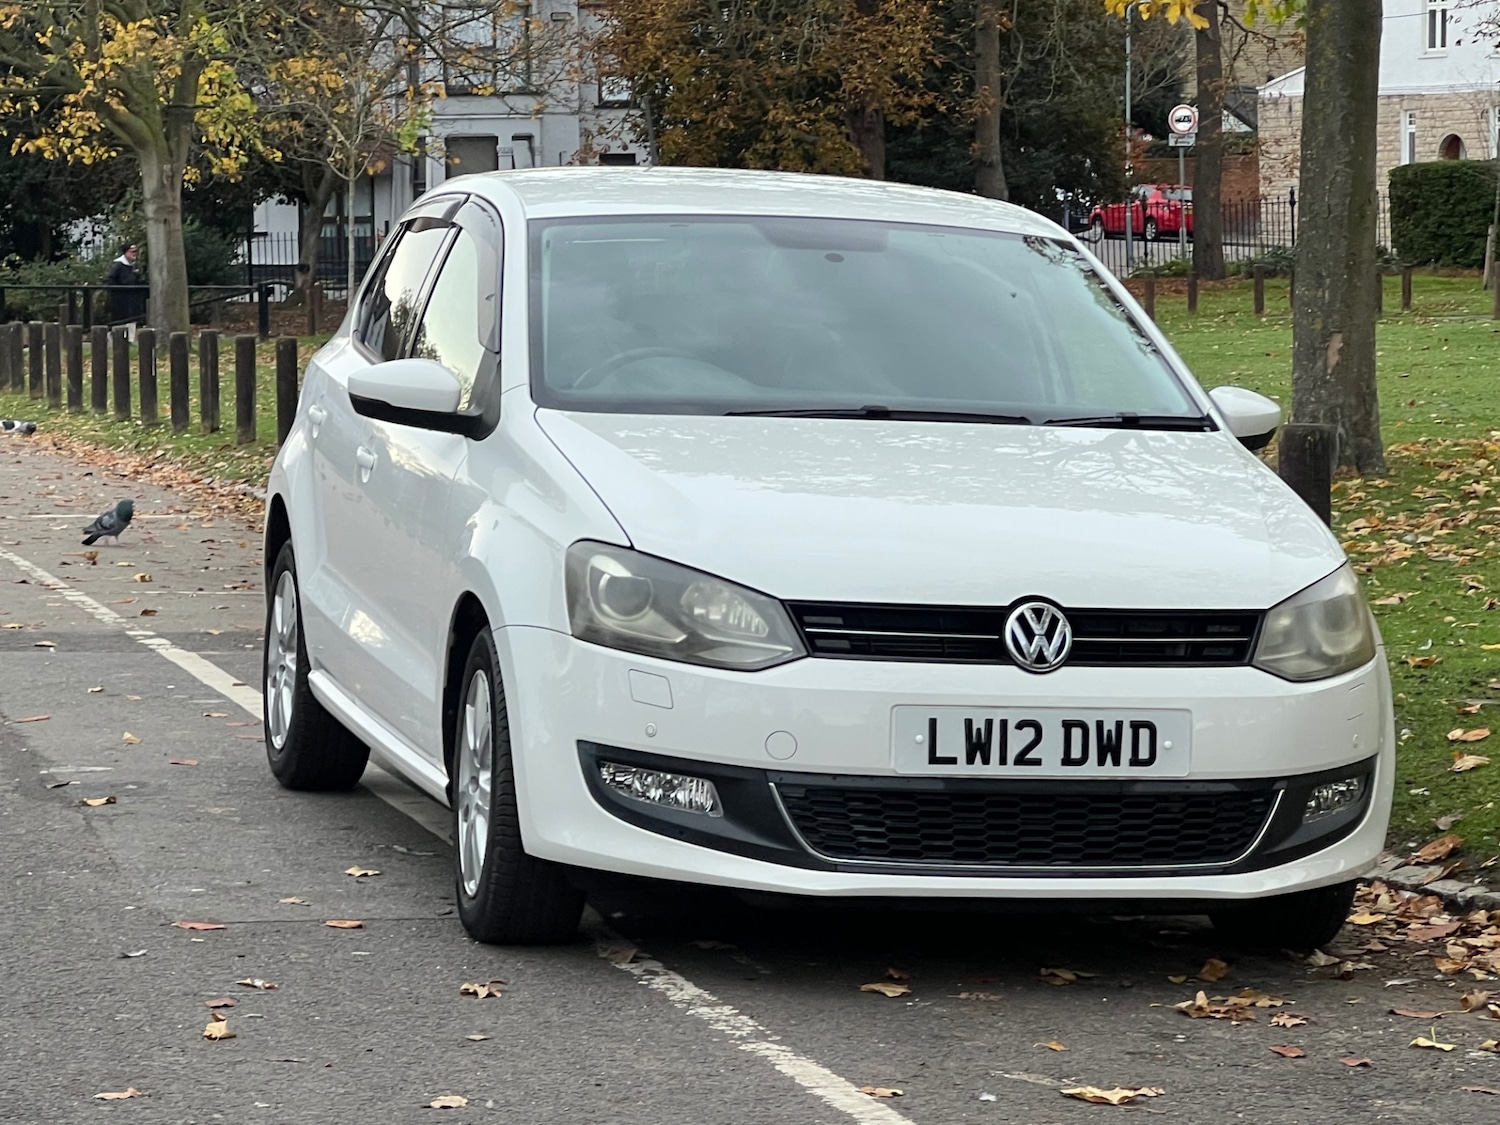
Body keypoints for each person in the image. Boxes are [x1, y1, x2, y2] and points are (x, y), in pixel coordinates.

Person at [105, 244, 145, 340]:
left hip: (132, 298)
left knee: (132, 320)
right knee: (120, 320)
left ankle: (130, 339)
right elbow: (110, 280)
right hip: (120, 299)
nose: (135, 254)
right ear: (126, 252)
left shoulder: (135, 266)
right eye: (132, 251)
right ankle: (116, 339)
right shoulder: (118, 266)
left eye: (136, 251)